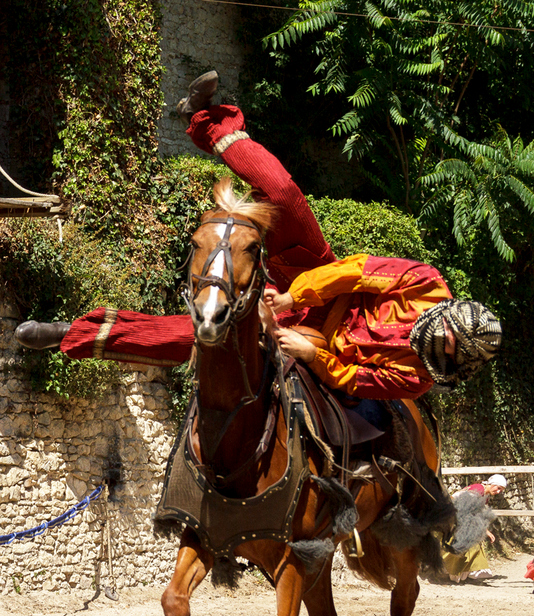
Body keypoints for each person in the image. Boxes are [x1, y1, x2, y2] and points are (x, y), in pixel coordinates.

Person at [15, 71, 502, 402]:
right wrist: (292, 296)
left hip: (309, 344)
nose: (441, 349)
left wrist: (312, 353)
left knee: (201, 334)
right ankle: (207, 121)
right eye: (447, 340)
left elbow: (357, 380)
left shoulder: (418, 379)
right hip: (320, 279)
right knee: (283, 193)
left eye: (449, 356)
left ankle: (74, 333)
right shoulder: (425, 283)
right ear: (450, 316)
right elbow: (355, 272)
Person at [443, 474, 507, 582]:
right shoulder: (478, 490)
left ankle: (463, 574)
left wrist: (485, 530)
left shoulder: (485, 495)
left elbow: (476, 513)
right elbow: (465, 508)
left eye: (501, 490)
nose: (498, 491)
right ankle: (454, 573)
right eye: (498, 488)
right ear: (491, 483)